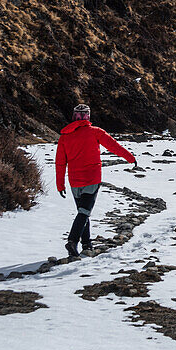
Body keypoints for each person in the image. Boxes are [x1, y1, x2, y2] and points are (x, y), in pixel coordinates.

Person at [55, 103, 136, 257]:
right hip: (91, 178)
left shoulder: (65, 137)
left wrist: (60, 184)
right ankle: (72, 241)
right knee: (84, 212)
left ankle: (87, 244)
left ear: (74, 117)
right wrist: (130, 158)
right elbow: (114, 147)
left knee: (83, 212)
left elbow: (60, 163)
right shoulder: (95, 132)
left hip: (75, 181)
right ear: (88, 116)